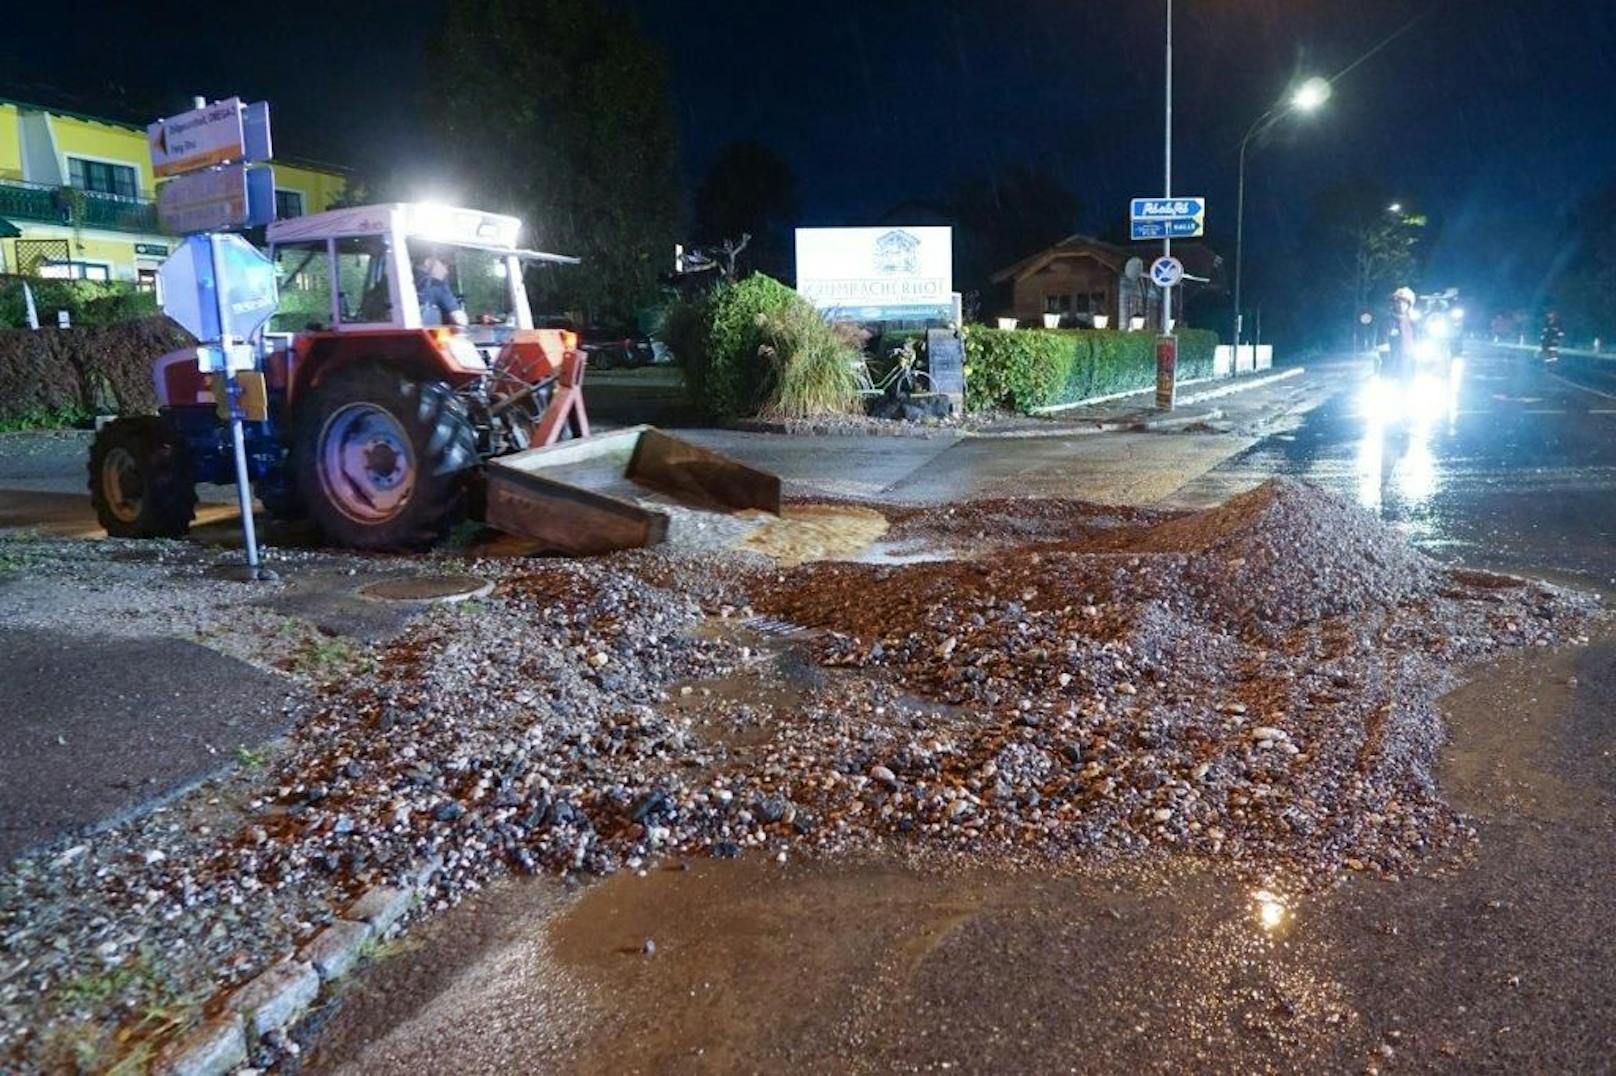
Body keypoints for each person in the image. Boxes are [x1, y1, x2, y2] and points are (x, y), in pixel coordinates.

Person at [414, 253, 465, 325]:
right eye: (444, 265)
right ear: (429, 262)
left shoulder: (406, 280)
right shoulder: (437, 286)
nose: (446, 271)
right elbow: (459, 317)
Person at [1380, 286, 1418, 381]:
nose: (1400, 305)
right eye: (1397, 302)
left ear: (1409, 305)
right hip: (1392, 364)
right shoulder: (1387, 322)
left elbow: (1417, 340)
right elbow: (1382, 343)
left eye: (1404, 302)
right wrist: (1386, 361)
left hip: (1409, 363)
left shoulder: (1412, 322)